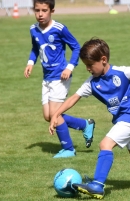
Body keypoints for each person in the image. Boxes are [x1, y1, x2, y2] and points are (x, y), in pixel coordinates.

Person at [49, 38, 130, 199]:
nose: (87, 69)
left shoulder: (122, 72)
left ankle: (97, 185)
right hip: (123, 120)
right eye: (86, 65)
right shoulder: (91, 83)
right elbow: (73, 98)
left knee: (105, 144)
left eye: (90, 65)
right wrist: (56, 114)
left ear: (103, 60)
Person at [24, 0, 95, 158]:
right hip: (46, 78)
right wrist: (30, 62)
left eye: (44, 10)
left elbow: (76, 46)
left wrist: (69, 67)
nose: (40, 14)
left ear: (52, 11)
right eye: (37, 10)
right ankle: (85, 125)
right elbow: (36, 48)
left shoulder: (59, 29)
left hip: (60, 76)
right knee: (48, 116)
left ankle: (69, 149)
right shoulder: (33, 29)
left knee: (55, 115)